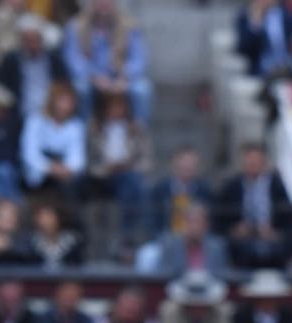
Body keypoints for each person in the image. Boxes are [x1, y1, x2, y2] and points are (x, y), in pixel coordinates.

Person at [215, 140, 292, 270]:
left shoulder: (279, 186)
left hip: (272, 242)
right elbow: (219, 219)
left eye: (256, 161)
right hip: (241, 243)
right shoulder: (231, 187)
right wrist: (235, 230)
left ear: (264, 162)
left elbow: (290, 219)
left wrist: (275, 233)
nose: (253, 164)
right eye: (250, 161)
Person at [64, 0, 151, 123]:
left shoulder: (130, 26)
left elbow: (139, 59)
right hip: (92, 79)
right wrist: (94, 76)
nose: (104, 2)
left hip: (121, 78)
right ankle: (85, 128)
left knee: (142, 89)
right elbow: (73, 60)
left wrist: (124, 76)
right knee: (81, 88)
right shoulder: (76, 26)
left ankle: (138, 129)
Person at [84, 87, 149, 247]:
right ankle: (127, 234)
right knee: (132, 185)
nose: (116, 110)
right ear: (104, 108)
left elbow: (146, 161)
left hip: (128, 174)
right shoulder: (94, 128)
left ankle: (127, 234)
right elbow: (88, 160)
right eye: (112, 106)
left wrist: (129, 165)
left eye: (120, 106)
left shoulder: (136, 128)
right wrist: (106, 167)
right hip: (101, 177)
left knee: (132, 183)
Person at [0, 14, 70, 120]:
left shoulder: (54, 60)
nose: (32, 45)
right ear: (21, 41)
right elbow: (1, 88)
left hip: (51, 112)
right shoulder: (10, 61)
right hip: (20, 112)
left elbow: (64, 85)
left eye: (35, 40)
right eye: (28, 40)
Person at [20, 78, 83, 203]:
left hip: (64, 174)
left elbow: (77, 157)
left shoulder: (76, 126)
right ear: (52, 100)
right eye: (63, 100)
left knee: (73, 187)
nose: (66, 105)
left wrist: (66, 169)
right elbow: (29, 154)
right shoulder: (35, 121)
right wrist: (49, 168)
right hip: (38, 173)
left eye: (70, 101)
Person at [149, 199, 230, 275]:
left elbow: (224, 274)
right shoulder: (170, 245)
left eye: (198, 223)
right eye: (190, 222)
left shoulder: (217, 247)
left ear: (206, 225)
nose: (194, 227)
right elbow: (162, 274)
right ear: (183, 224)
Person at [147, 145, 212, 238]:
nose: (188, 166)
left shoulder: (205, 191)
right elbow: (151, 220)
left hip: (197, 240)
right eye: (184, 162)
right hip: (166, 238)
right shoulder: (160, 190)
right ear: (174, 164)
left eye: (191, 164)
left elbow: (211, 220)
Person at [236, 0, 292, 79]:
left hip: (288, 70)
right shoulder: (245, 18)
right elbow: (243, 49)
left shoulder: (290, 17)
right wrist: (255, 24)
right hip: (260, 72)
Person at [22, 197, 83, 265]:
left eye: (49, 216)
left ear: (59, 217)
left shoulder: (74, 242)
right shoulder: (29, 244)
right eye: (42, 217)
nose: (46, 221)